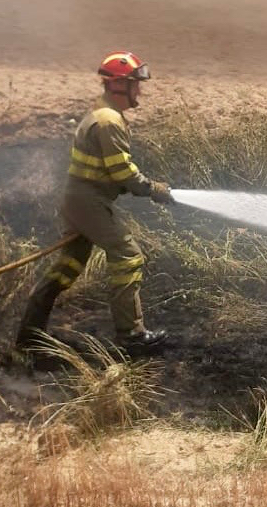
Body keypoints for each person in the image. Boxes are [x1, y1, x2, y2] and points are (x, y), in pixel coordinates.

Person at [15, 50, 175, 356]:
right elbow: (122, 171)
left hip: (81, 198)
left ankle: (28, 335)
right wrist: (153, 189)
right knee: (128, 256)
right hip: (88, 201)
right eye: (135, 84)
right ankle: (131, 335)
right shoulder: (108, 121)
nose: (139, 90)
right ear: (118, 85)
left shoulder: (104, 116)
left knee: (68, 267)